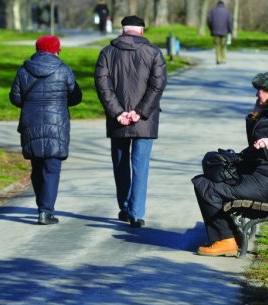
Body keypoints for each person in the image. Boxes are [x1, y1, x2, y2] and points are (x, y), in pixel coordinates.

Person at [191, 71, 268, 257]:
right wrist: (254, 117)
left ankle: (225, 240)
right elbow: (254, 144)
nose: (258, 94)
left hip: (266, 186)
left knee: (204, 185)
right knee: (209, 177)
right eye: (258, 89)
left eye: (263, 90)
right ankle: (229, 236)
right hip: (262, 177)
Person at [94, 15, 167, 228]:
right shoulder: (154, 52)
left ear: (122, 29)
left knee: (120, 164)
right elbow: (157, 86)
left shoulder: (107, 52)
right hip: (145, 120)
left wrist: (117, 112)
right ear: (142, 31)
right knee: (140, 166)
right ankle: (137, 213)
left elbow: (102, 85)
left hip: (117, 120)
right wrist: (140, 113)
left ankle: (125, 207)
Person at [10, 35, 82, 225]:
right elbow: (76, 97)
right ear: (57, 50)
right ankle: (45, 211)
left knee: (37, 166)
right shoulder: (63, 70)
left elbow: (15, 98)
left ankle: (41, 204)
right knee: (52, 167)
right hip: (56, 123)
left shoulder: (24, 70)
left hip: (30, 122)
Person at [207, 0, 233, 64]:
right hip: (224, 31)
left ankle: (218, 58)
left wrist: (211, 29)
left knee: (217, 45)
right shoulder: (227, 12)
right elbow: (230, 22)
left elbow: (209, 21)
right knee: (223, 46)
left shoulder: (212, 11)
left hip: (215, 31)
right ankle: (223, 59)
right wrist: (230, 31)